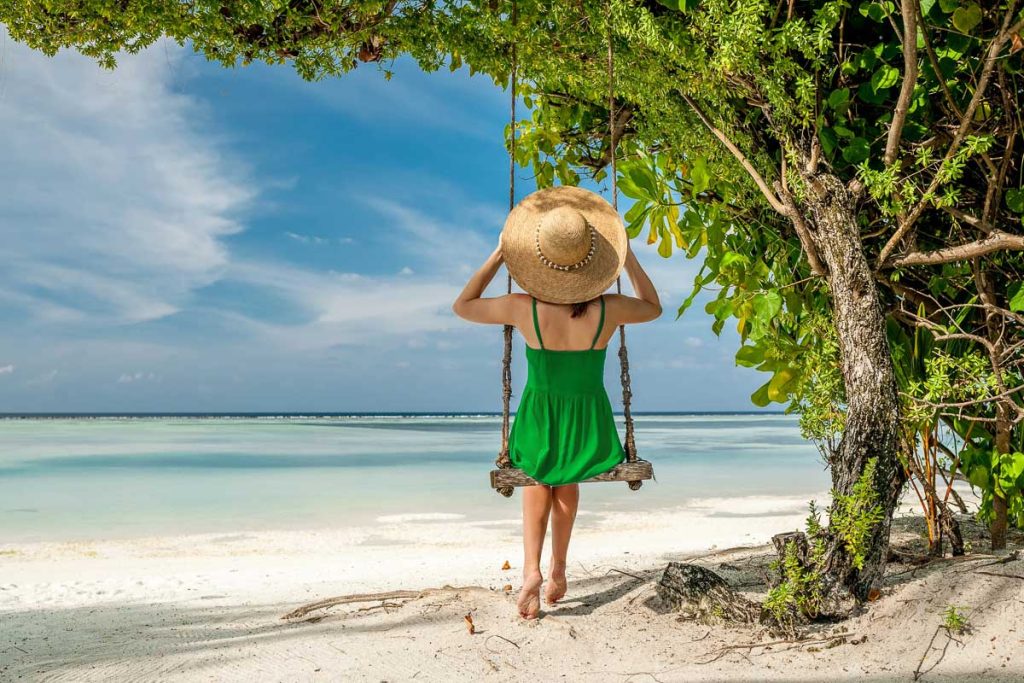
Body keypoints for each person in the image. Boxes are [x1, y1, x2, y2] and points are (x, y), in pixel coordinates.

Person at [452, 185, 661, 620]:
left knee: (538, 477)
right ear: (593, 265)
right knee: (566, 477)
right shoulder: (611, 308)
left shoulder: (521, 307)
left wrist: (497, 256)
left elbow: (463, 305)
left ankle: (531, 570)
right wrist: (629, 259)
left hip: (538, 413)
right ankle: (558, 570)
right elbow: (653, 307)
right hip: (589, 420)